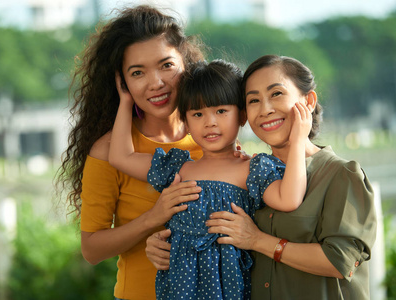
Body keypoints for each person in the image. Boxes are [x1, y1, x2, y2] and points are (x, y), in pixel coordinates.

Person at [146, 55, 377, 300]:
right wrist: (165, 244)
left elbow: (340, 261)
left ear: (308, 101)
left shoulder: (340, 174)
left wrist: (258, 241)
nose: (265, 109)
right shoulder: (253, 174)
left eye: (276, 94)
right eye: (254, 100)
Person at [108, 59, 312, 299]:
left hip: (230, 289)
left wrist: (299, 140)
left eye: (221, 111)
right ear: (185, 121)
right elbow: (120, 157)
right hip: (180, 289)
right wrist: (126, 102)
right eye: (197, 114)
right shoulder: (178, 169)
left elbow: (289, 200)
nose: (210, 122)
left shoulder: (251, 168)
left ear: (242, 116)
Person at [55, 5, 207, 300]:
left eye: (166, 65)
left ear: (185, 62)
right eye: (138, 72)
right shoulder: (109, 151)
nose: (156, 83)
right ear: (122, 82)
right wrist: (153, 218)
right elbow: (92, 249)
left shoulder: (212, 135)